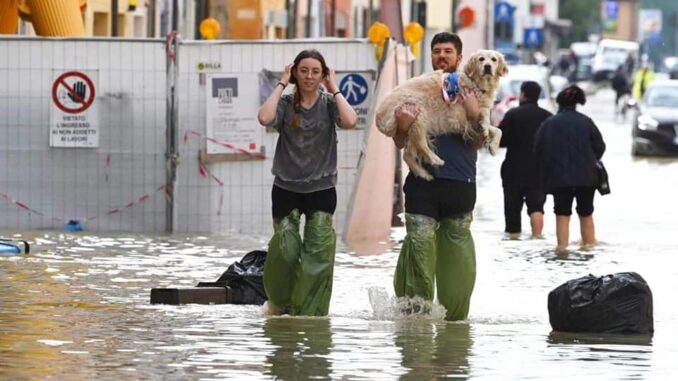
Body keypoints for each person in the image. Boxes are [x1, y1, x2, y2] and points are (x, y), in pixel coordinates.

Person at [257, 49, 357, 316]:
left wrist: (334, 86)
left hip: (321, 189)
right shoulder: (286, 103)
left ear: (323, 74)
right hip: (286, 187)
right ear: (295, 73)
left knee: (318, 254)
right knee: (285, 250)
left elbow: (350, 121)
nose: (309, 77)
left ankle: (310, 314)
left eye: (315, 71)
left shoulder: (328, 103)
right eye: (303, 71)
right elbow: (264, 118)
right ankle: (280, 304)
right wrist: (281, 82)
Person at [391, 32, 483, 321]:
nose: (442, 56)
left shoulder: (475, 91)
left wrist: (473, 115)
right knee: (418, 249)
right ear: (431, 56)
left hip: (460, 186)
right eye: (436, 51)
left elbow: (481, 142)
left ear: (459, 56)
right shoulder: (416, 90)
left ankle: (455, 326)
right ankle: (416, 320)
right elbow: (398, 141)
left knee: (457, 263)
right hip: (422, 186)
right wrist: (403, 126)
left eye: (448, 51)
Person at [534, 85, 606, 251]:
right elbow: (600, 147)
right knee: (586, 213)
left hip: (559, 179)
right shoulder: (586, 122)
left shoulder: (549, 124)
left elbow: (538, 150)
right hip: (587, 178)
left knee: (562, 214)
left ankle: (562, 249)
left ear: (559, 103)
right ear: (576, 103)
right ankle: (588, 247)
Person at [498, 81, 552, 239]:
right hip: (538, 172)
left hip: (513, 171)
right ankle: (537, 238)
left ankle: (513, 240)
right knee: (537, 208)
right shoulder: (547, 117)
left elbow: (500, 140)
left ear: (522, 95)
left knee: (512, 212)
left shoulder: (512, 115)